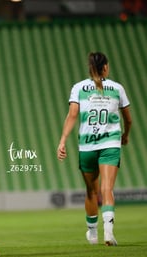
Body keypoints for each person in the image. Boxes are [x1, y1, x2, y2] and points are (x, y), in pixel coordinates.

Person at [57, 52, 132, 246]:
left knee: (91, 190)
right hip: (110, 144)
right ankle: (108, 232)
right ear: (105, 67)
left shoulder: (79, 88)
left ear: (90, 68)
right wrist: (125, 134)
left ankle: (92, 233)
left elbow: (72, 115)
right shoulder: (117, 88)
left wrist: (63, 140)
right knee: (107, 188)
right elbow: (128, 119)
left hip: (87, 145)